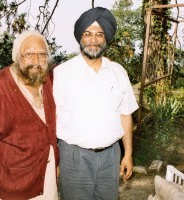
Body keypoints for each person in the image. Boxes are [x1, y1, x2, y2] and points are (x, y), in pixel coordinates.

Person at [53, 7, 139, 200]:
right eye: (88, 34)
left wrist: (128, 154)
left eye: (99, 34)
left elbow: (125, 114)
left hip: (111, 157)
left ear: (106, 38)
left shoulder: (118, 72)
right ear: (80, 37)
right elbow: (52, 118)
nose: (93, 40)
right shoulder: (62, 73)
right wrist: (54, 161)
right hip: (74, 158)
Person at [0, 30, 59, 200]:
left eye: (42, 55)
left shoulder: (48, 81)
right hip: (10, 186)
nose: (36, 61)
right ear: (17, 57)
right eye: (29, 54)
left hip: (46, 181)